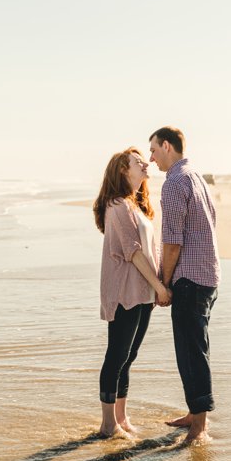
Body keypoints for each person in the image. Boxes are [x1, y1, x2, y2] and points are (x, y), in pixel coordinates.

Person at [92, 147, 171, 439]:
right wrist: (161, 286)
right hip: (125, 291)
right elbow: (134, 253)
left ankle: (121, 418)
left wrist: (155, 287)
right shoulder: (117, 205)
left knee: (129, 356)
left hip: (143, 292)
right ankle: (107, 424)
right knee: (116, 355)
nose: (145, 164)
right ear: (123, 170)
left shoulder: (134, 204)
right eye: (137, 162)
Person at [149, 126, 220, 444]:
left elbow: (172, 240)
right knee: (196, 348)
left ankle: (200, 426)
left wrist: (164, 282)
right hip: (207, 275)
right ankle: (195, 412)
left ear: (167, 145)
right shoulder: (195, 175)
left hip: (190, 279)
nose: (150, 158)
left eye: (153, 149)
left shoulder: (175, 181)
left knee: (191, 352)